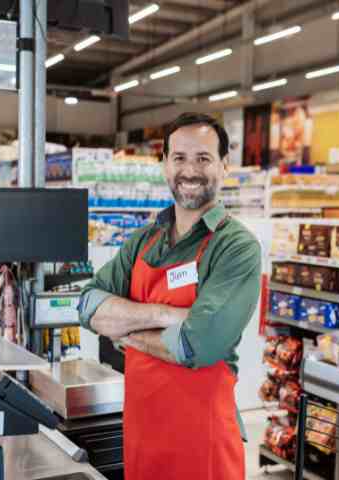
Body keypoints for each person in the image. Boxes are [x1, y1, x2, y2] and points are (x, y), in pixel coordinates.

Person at [78, 112, 262, 480]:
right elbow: (87, 305)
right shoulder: (143, 241)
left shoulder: (235, 247)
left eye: (203, 159)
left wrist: (125, 330)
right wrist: (165, 315)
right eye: (179, 158)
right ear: (164, 166)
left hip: (202, 444)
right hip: (142, 436)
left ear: (225, 166)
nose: (189, 170)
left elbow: (198, 343)